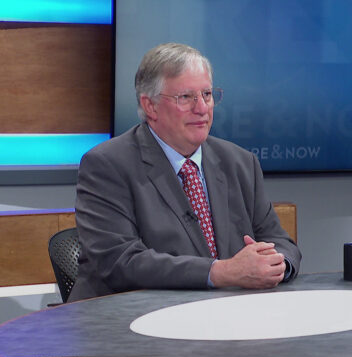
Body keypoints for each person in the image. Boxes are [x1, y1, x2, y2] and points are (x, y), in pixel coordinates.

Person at [69, 43, 301, 301]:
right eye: (186, 97)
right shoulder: (107, 165)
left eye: (207, 94)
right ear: (150, 106)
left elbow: (280, 242)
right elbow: (121, 262)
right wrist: (220, 272)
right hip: (126, 322)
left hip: (223, 318)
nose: (202, 108)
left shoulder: (240, 162)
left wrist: (277, 265)